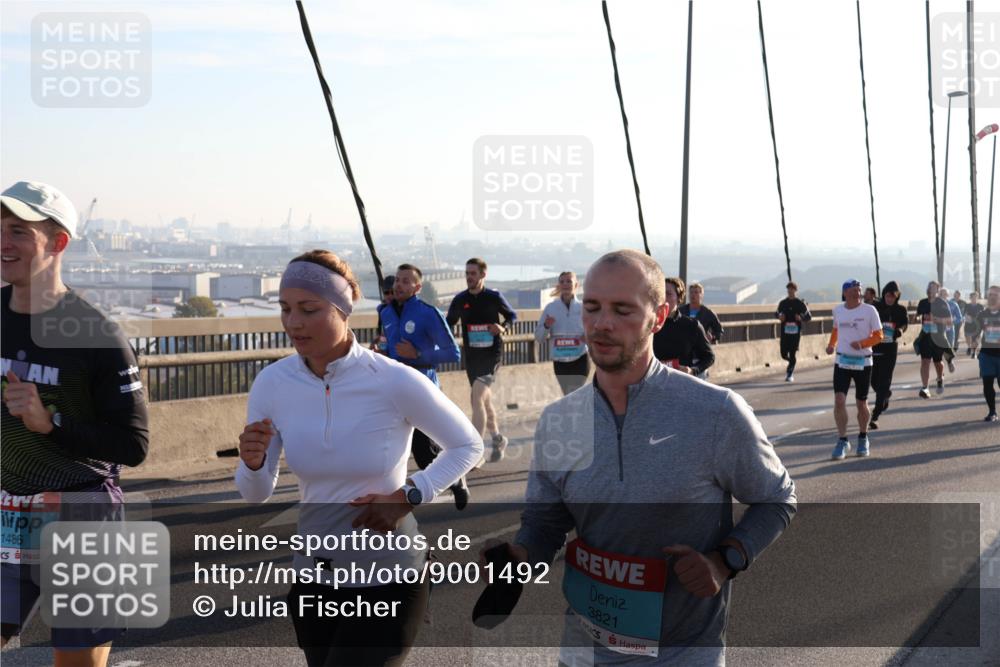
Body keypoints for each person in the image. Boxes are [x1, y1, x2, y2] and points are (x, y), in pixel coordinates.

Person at [486, 249, 795, 665]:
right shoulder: (559, 420)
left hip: (681, 653)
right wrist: (519, 559)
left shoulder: (716, 412)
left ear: (660, 317)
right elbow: (546, 523)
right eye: (592, 308)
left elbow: (777, 498)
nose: (603, 324)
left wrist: (725, 561)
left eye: (623, 310)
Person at [236, 250, 482, 667]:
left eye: (309, 309)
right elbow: (255, 494)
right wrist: (253, 463)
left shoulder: (392, 378)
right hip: (314, 577)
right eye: (285, 309)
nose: (293, 322)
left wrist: (410, 495)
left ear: (342, 309)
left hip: (389, 575)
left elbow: (468, 445)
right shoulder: (272, 383)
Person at [1, 181, 149, 667]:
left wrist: (51, 425)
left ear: (58, 242)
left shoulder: (97, 334)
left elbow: (132, 444)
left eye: (19, 231)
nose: (4, 242)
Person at [377, 263, 469, 509]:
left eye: (406, 281)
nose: (399, 284)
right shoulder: (385, 313)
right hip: (392, 387)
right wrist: (380, 352)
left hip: (421, 387)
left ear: (417, 287)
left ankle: (457, 479)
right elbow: (389, 347)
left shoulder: (428, 313)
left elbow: (453, 353)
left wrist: (417, 353)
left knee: (423, 452)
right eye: (397, 280)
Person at [446, 258, 517, 463]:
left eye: (473, 273)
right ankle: (498, 438)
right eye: (467, 273)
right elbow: (448, 324)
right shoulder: (460, 299)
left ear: (483, 275)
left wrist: (503, 327)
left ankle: (475, 451)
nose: (469, 277)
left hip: (491, 356)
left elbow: (512, 316)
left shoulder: (493, 297)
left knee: (476, 398)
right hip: (472, 356)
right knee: (484, 401)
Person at [826, 279, 883, 459]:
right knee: (839, 400)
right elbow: (836, 330)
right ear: (845, 293)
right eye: (853, 291)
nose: (857, 294)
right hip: (842, 361)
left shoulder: (869, 310)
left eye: (859, 291)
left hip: (863, 361)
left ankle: (863, 437)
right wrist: (831, 344)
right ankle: (842, 440)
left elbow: (879, 335)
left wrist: (862, 343)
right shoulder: (838, 310)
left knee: (861, 403)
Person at [534, 270, 589, 395]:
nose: (565, 284)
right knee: (568, 395)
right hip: (560, 360)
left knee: (576, 393)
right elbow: (539, 337)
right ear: (559, 285)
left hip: (580, 358)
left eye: (569, 281)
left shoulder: (584, 308)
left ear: (576, 285)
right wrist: (546, 325)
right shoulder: (551, 308)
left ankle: (578, 414)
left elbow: (594, 332)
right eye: (562, 281)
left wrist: (588, 337)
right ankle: (574, 415)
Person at [652, 277, 715, 377]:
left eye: (668, 294)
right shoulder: (649, 324)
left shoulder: (691, 325)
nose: (663, 297)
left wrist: (693, 370)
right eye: (661, 293)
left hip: (682, 383)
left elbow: (709, 357)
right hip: (654, 383)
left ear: (679, 298)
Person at [869, 281, 908, 430]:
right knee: (874, 380)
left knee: (884, 380)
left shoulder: (900, 310)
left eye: (893, 297)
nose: (890, 299)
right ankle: (885, 394)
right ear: (884, 294)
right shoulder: (876, 308)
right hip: (875, 347)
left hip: (890, 349)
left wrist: (900, 330)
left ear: (897, 297)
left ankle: (875, 415)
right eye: (887, 296)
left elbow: (905, 324)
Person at [916, 281, 955, 398]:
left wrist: (936, 319)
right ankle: (925, 387)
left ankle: (940, 378)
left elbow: (949, 321)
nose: (930, 290)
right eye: (929, 288)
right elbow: (918, 316)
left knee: (938, 362)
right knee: (925, 362)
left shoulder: (942, 303)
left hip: (938, 337)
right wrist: (918, 318)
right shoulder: (922, 302)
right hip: (926, 336)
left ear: (937, 291)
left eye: (933, 288)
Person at [775, 281, 812, 382]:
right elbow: (776, 313)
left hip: (795, 333)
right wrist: (780, 317)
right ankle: (791, 362)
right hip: (785, 332)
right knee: (783, 354)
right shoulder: (783, 303)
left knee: (792, 353)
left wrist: (800, 318)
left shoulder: (800, 304)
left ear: (795, 290)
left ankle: (790, 373)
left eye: (792, 289)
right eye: (788, 289)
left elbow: (808, 317)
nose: (790, 291)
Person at [974, 285, 1000, 422]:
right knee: (987, 384)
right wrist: (975, 340)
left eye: (995, 295)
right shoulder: (982, 314)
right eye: (990, 295)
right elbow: (976, 332)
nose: (993, 297)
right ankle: (992, 412)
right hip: (986, 355)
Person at [939, 287, 963, 352]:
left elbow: (960, 318)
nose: (943, 296)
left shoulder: (953, 304)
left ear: (948, 295)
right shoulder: (935, 304)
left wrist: (953, 322)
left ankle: (949, 359)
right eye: (941, 294)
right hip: (939, 327)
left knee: (950, 345)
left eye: (945, 294)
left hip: (950, 327)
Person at [965, 291, 985, 358]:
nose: (974, 298)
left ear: (977, 298)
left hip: (978, 325)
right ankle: (969, 347)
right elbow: (964, 314)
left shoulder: (981, 306)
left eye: (975, 297)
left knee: (976, 338)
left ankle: (973, 352)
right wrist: (967, 317)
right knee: (968, 337)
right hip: (968, 324)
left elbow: (983, 315)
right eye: (972, 297)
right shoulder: (967, 305)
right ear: (970, 298)